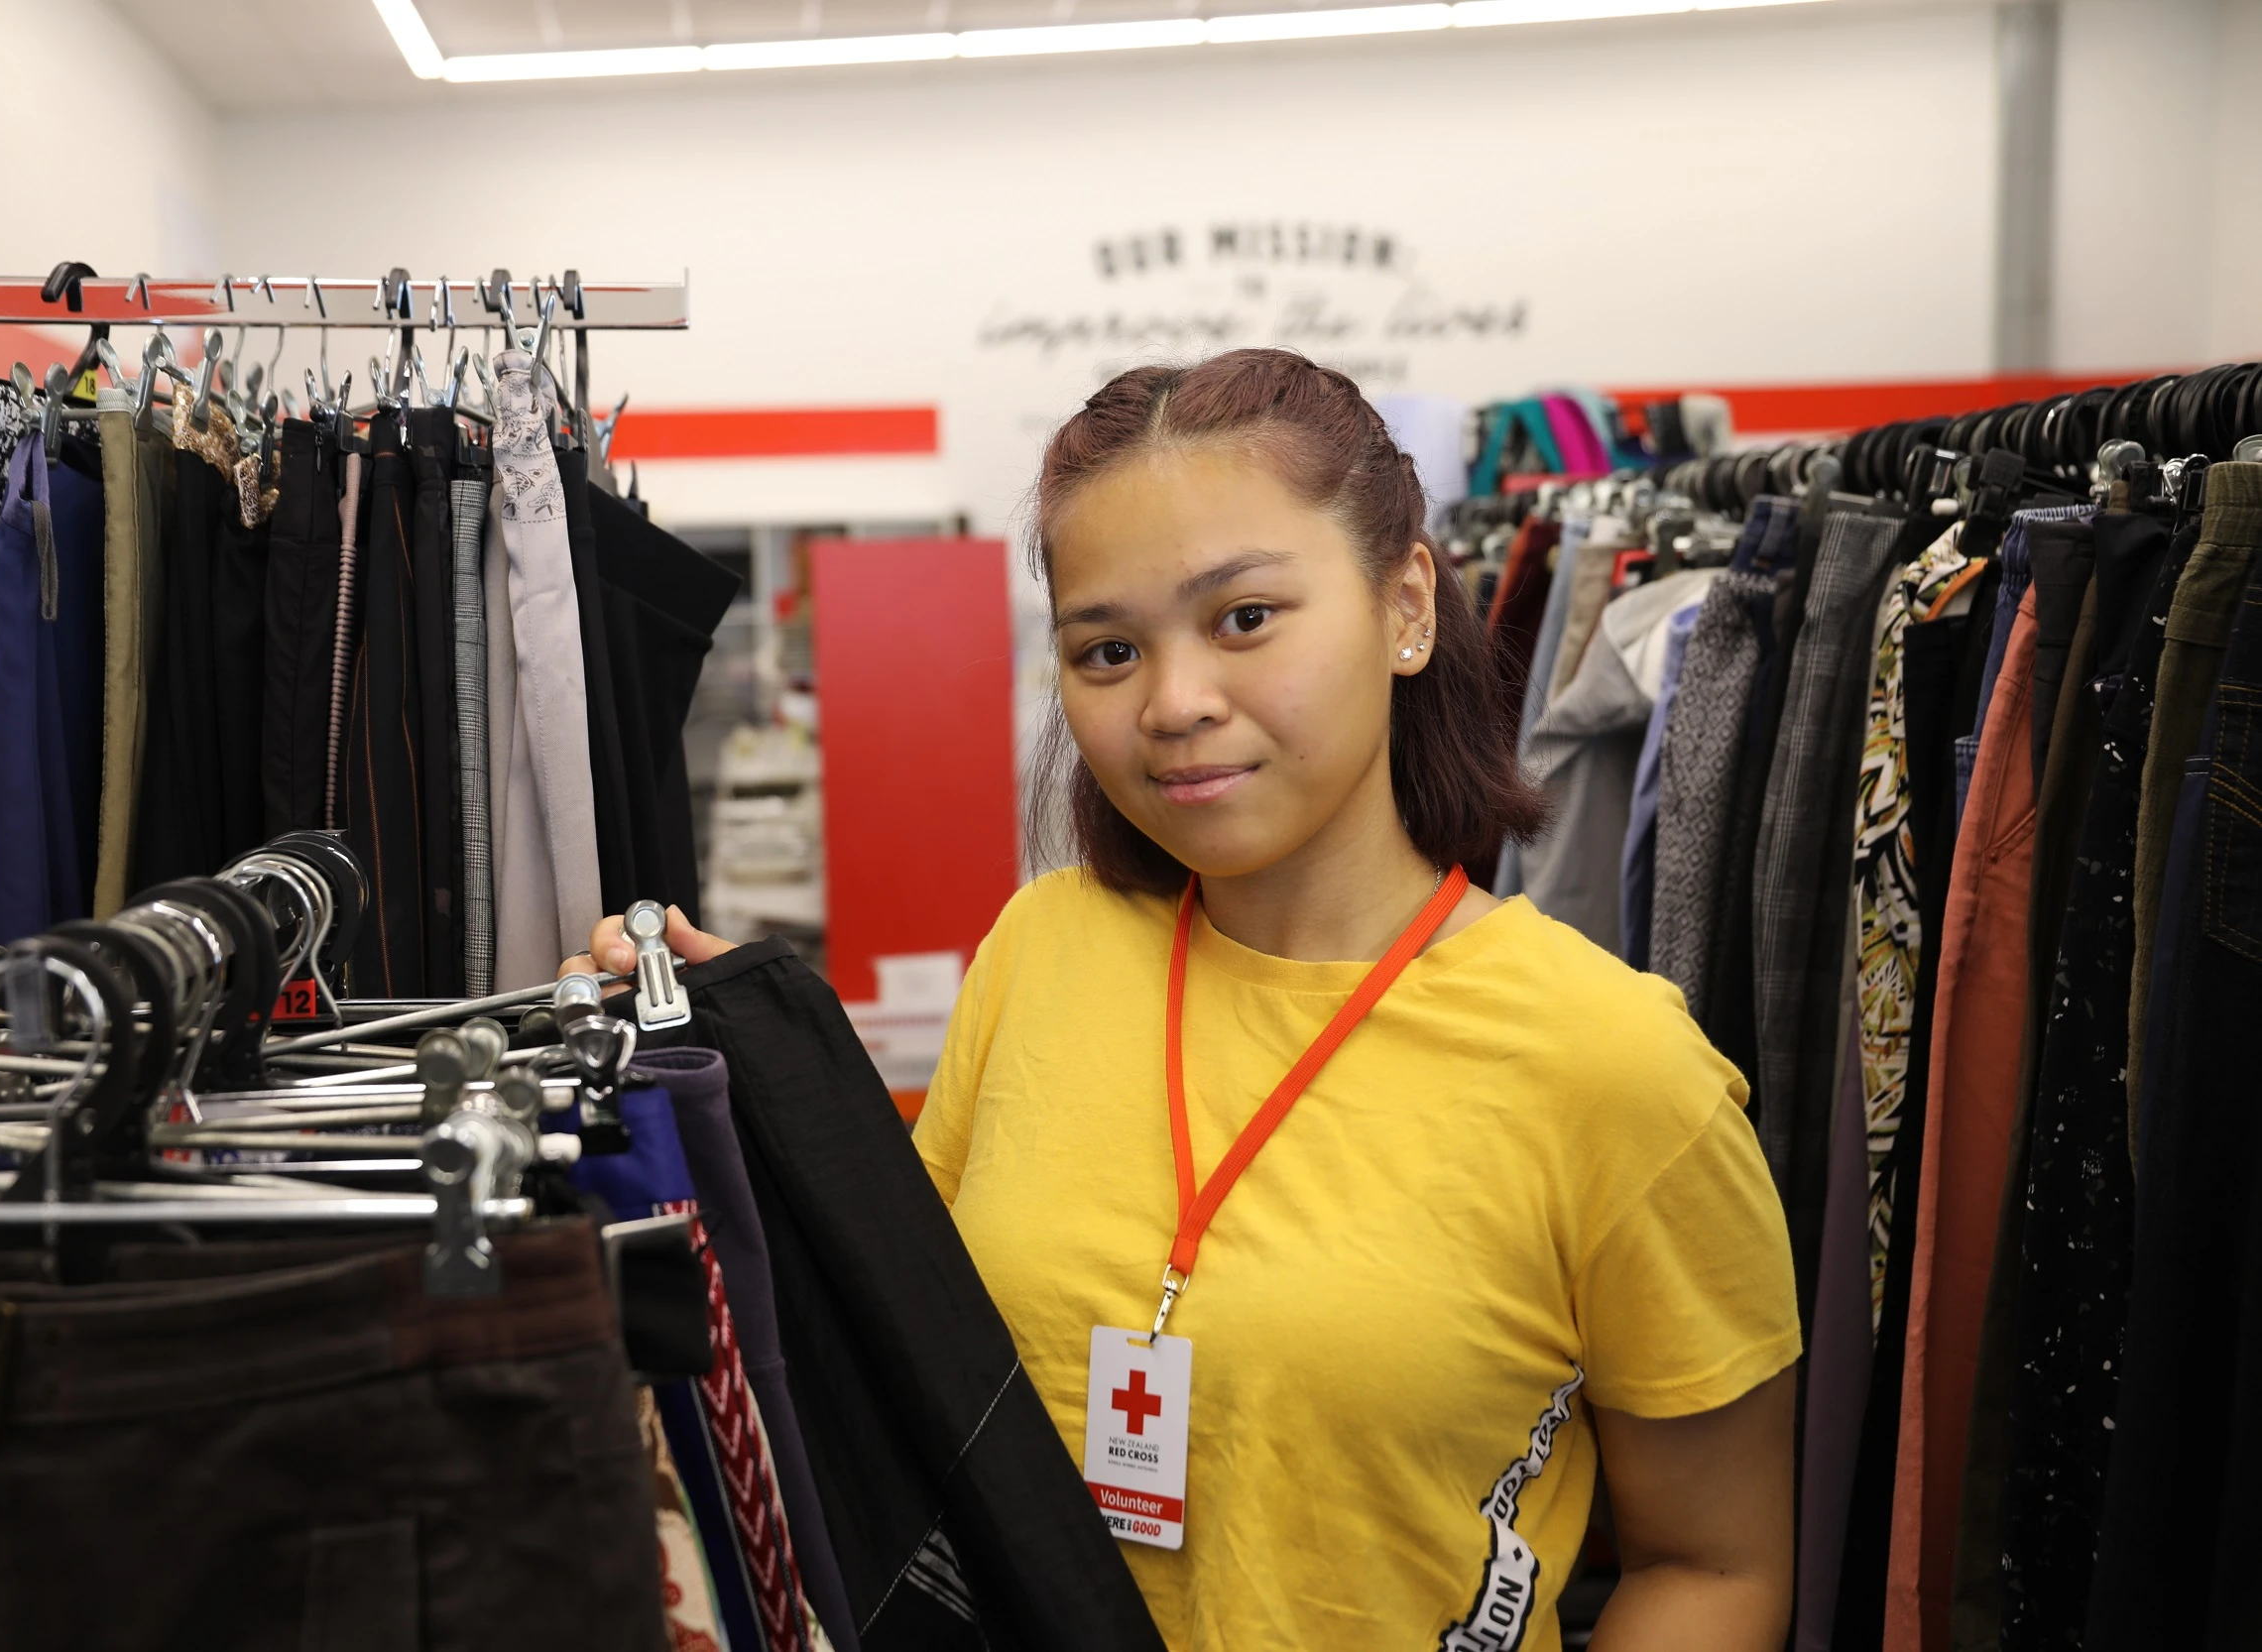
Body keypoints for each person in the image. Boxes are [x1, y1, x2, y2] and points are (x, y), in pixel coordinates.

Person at [572, 348, 1800, 1652]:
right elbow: (915, 1362)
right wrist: (755, 1070)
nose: (1174, 703)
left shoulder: (1615, 1066)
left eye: (1245, 618)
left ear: (1406, 607)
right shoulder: (1043, 949)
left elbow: (1712, 1562)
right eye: (1108, 649)